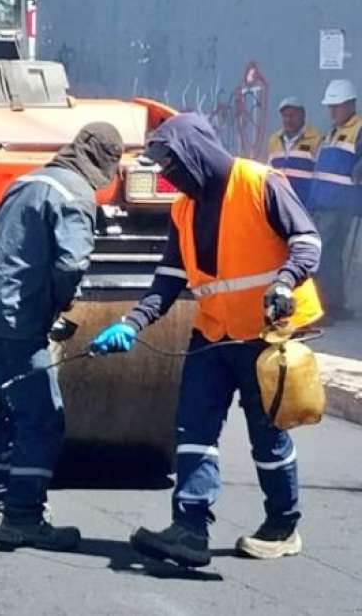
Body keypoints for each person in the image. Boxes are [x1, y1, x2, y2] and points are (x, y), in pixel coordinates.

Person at [91, 113, 322, 568]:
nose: (169, 175)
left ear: (196, 152)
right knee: (193, 428)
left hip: (266, 335)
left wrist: (284, 283)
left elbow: (307, 242)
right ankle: (189, 528)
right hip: (213, 334)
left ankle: (282, 525)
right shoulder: (183, 208)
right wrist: (131, 323)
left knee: (268, 435)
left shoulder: (260, 183)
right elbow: (169, 279)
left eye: (172, 164)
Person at [0, 122, 125, 551]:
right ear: (105, 160)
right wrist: (59, 303)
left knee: (8, 409)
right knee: (42, 417)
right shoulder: (76, 195)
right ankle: (23, 517)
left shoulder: (27, 180)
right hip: (16, 320)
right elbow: (71, 263)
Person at [306, 78, 362, 324]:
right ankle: (336, 305)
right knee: (331, 256)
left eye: (336, 106)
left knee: (321, 254)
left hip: (340, 205)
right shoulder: (331, 132)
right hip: (323, 202)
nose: (332, 111)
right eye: (330, 106)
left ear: (351, 104)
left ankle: (321, 308)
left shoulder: (359, 128)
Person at [266, 96, 318, 207]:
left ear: (303, 115)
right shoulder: (274, 140)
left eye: (292, 115)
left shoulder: (316, 139)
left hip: (304, 206)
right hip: (279, 204)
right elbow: (269, 174)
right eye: (285, 116)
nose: (288, 120)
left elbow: (320, 178)